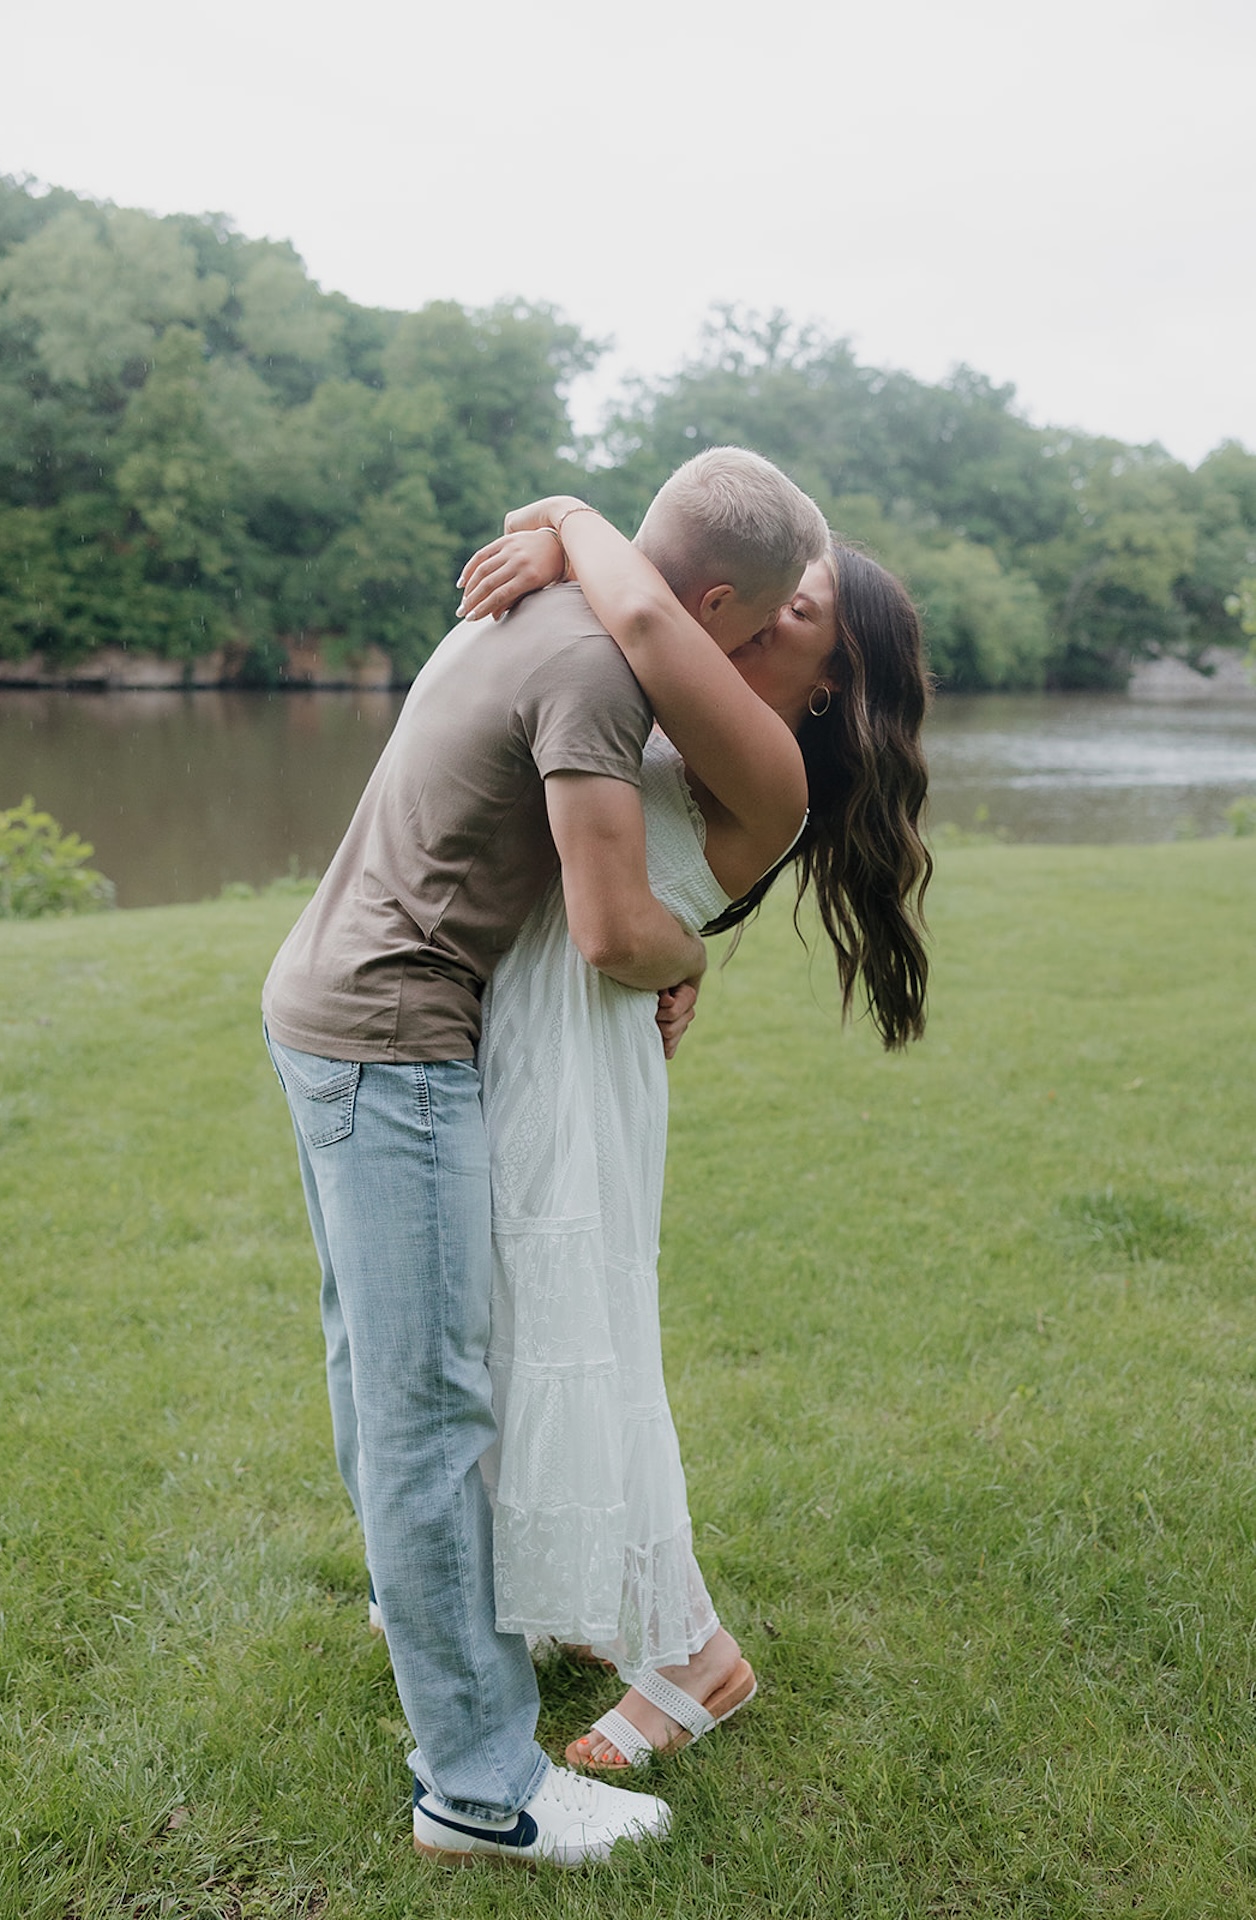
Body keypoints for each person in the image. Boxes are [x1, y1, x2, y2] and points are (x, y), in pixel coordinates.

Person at [260, 448, 829, 1865]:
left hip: (337, 1008)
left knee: (383, 1375)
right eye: (755, 625)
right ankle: (477, 1786)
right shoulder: (595, 667)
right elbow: (605, 923)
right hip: (396, 1032)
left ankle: (434, 1622)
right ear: (711, 597)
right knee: (431, 1411)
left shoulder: (533, 608)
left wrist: (566, 523)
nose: (755, 649)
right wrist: (689, 954)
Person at [456, 499, 931, 1772]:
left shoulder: (761, 756)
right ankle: (559, 1600)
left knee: (585, 1334)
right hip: (533, 1036)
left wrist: (564, 519)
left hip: (579, 1057)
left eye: (801, 612)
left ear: (828, 688)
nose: (770, 610)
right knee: (514, 1325)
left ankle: (692, 1657)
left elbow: (652, 605)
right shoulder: (677, 712)